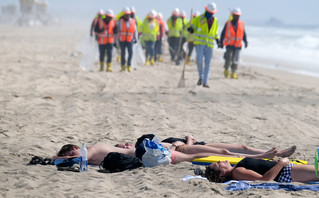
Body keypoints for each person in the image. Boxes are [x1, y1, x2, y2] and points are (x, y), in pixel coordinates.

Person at [162, 135, 296, 158]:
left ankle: (279, 154)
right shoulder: (158, 145)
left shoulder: (158, 141)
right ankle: (261, 156)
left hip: (199, 145)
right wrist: (188, 139)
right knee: (224, 152)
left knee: (243, 147)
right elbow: (179, 151)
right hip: (188, 149)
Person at [204, 157, 319, 183]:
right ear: (223, 173)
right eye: (217, 164)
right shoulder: (237, 172)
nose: (219, 161)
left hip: (286, 169)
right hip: (286, 173)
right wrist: (280, 164)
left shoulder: (237, 168)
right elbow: (265, 179)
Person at [188, 2, 220, 88]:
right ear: (206, 10)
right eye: (210, 12)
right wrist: (191, 29)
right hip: (200, 43)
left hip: (209, 44)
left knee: (207, 63)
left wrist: (217, 39)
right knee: (198, 60)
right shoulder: (200, 18)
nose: (211, 13)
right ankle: (200, 77)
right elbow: (193, 27)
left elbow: (215, 32)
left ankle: (205, 82)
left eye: (212, 12)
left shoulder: (215, 20)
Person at [219, 8, 248, 79]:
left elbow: (243, 33)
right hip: (229, 45)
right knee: (228, 59)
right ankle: (226, 70)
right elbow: (223, 34)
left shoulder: (241, 24)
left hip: (238, 46)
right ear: (233, 15)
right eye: (235, 15)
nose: (237, 17)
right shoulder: (228, 24)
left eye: (238, 16)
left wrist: (245, 41)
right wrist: (221, 43)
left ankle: (233, 73)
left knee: (235, 60)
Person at [52, 143, 135, 165]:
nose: (72, 157)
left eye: (72, 154)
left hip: (139, 154)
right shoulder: (91, 160)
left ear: (76, 147)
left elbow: (82, 157)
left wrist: (57, 158)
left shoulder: (93, 149)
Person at [117, 7, 137, 72]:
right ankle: (123, 66)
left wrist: (135, 38)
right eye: (126, 14)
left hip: (130, 39)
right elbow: (116, 30)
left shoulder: (133, 21)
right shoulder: (120, 21)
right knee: (123, 53)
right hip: (122, 40)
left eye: (128, 14)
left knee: (130, 53)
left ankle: (129, 65)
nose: (127, 15)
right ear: (123, 14)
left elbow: (135, 30)